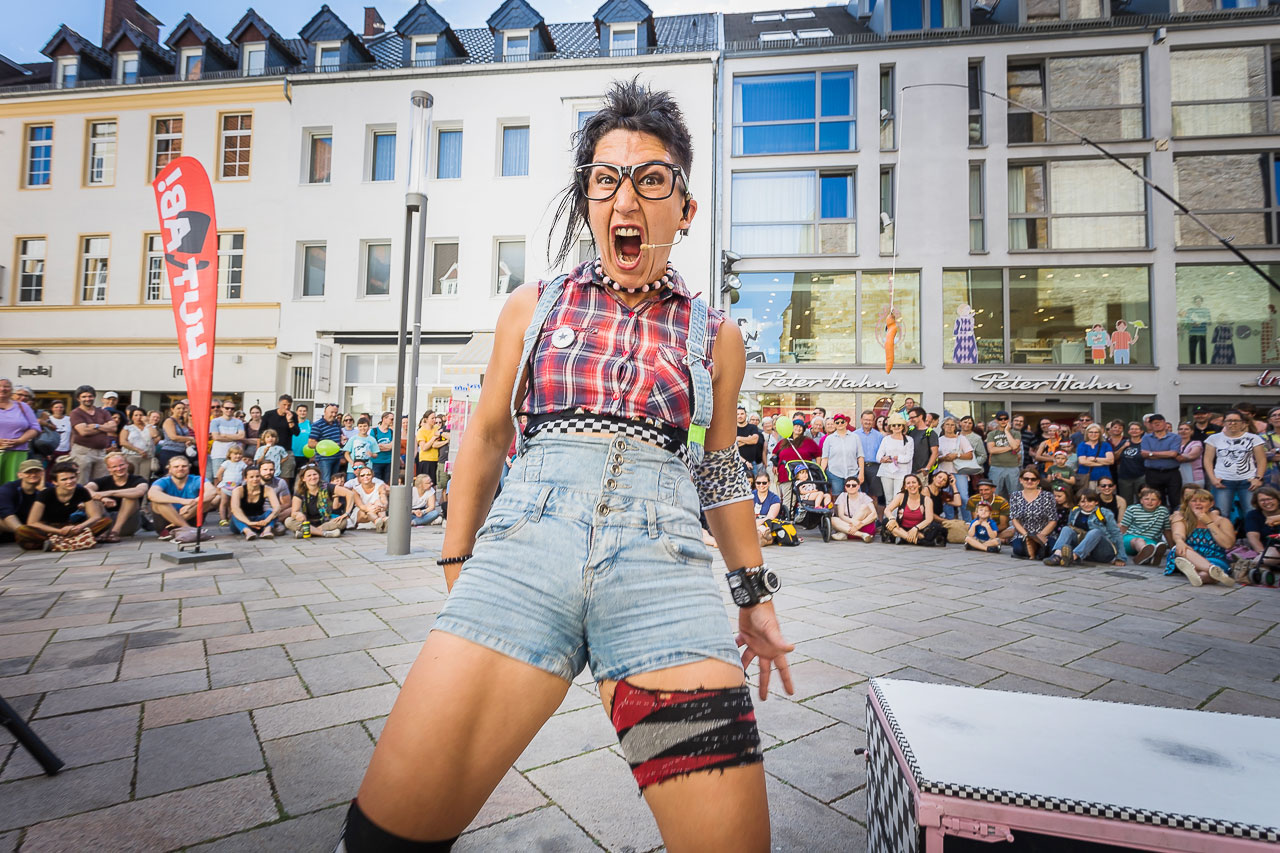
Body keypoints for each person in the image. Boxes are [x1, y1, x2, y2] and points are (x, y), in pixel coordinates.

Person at [346, 82, 793, 853]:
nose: (626, 197)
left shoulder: (716, 335)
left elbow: (718, 469)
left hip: (663, 578)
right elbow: (487, 435)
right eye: (605, 179)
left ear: (685, 208)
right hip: (525, 558)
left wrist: (753, 596)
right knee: (385, 839)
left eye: (651, 179)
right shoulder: (533, 305)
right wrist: (457, 558)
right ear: (588, 200)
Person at [15, 462, 112, 551]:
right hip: (49, 528)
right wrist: (59, 531)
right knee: (22, 531)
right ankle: (73, 541)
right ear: (55, 482)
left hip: (72, 527)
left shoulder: (82, 491)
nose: (69, 481)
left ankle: (56, 544)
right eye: (64, 479)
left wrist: (79, 527)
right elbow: (32, 522)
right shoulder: (45, 494)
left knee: (106, 521)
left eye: (72, 478)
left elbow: (95, 516)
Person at [1202, 410, 1267, 525]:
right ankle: (1225, 536)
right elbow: (1207, 460)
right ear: (1224, 423)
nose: (1232, 423)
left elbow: (1261, 460)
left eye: (1236, 420)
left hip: (1248, 481)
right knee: (1222, 513)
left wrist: (1258, 478)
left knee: (1251, 512)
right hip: (1223, 481)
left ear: (1243, 423)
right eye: (1229, 420)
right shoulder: (1214, 438)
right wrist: (1213, 479)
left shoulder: (1254, 438)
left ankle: (1252, 535)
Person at [1166, 488, 1236, 587]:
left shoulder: (1222, 521)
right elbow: (1178, 534)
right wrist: (1179, 541)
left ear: (1211, 504)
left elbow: (1228, 544)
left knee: (1205, 574)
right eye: (1193, 501)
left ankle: (1200, 576)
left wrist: (1209, 522)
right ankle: (1212, 569)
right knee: (1180, 548)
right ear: (1188, 503)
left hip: (1215, 556)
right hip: (1187, 554)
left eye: (1203, 501)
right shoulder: (1181, 517)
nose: (1198, 503)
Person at [1043, 489, 1126, 568]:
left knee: (1095, 532)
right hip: (1086, 552)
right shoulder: (1075, 512)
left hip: (1102, 551)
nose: (1086, 504)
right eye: (1083, 501)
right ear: (1078, 503)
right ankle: (1057, 555)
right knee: (1066, 529)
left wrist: (1120, 557)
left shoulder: (1104, 513)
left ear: (1096, 502)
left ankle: (1072, 557)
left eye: (1090, 501)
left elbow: (1116, 534)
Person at [148, 455, 219, 539]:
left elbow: (212, 491)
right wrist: (182, 501)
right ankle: (188, 528)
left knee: (208, 500)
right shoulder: (163, 481)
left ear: (189, 467)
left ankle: (181, 527)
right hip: (166, 523)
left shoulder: (196, 479)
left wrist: (192, 503)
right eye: (176, 467)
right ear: (169, 469)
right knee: (158, 502)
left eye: (184, 466)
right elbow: (152, 494)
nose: (180, 469)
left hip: (190, 516)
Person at [85, 452, 147, 542]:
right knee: (93, 498)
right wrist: (101, 498)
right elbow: (85, 490)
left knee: (130, 497)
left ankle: (115, 532)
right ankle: (103, 532)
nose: (119, 469)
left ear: (127, 464)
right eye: (114, 466)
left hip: (127, 524)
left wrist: (110, 493)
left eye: (121, 465)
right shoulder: (103, 481)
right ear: (109, 468)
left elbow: (140, 491)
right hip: (104, 523)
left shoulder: (138, 480)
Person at [67, 385, 116, 485]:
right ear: (78, 399)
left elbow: (113, 428)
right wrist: (104, 427)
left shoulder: (103, 412)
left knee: (101, 483)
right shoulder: (76, 413)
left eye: (90, 396)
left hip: (101, 452)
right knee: (81, 482)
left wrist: (96, 426)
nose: (87, 399)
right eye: (84, 397)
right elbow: (83, 432)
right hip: (83, 452)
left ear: (94, 397)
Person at [286, 465, 350, 538]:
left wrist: (346, 513)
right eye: (309, 475)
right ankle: (325, 533)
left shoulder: (327, 486)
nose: (313, 477)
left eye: (315, 474)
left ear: (319, 475)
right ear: (303, 478)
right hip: (307, 521)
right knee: (288, 521)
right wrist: (298, 515)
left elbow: (350, 494)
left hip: (326, 521)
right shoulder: (299, 492)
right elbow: (294, 512)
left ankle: (309, 532)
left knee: (343, 521)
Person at [1008, 467, 1057, 560]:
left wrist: (1040, 536)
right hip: (1023, 534)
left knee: (1051, 550)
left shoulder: (1048, 496)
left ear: (1038, 481)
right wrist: (1026, 535)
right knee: (1018, 550)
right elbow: (1014, 519)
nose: (1029, 481)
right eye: (1026, 479)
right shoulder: (1015, 496)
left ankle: (1035, 549)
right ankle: (1033, 547)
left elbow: (1053, 520)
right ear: (1021, 480)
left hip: (1044, 533)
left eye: (1033, 479)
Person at [773, 418, 821, 506]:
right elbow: (774, 454)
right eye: (796, 426)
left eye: (800, 427)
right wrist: (775, 465)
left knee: (803, 498)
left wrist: (817, 468)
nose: (798, 428)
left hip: (802, 476)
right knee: (788, 499)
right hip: (786, 475)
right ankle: (788, 514)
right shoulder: (784, 442)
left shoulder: (808, 441)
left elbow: (818, 454)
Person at [884, 473, 942, 546]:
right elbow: (887, 510)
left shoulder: (927, 500)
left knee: (935, 528)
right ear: (905, 487)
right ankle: (916, 540)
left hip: (919, 528)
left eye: (914, 482)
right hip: (902, 528)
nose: (911, 485)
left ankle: (902, 537)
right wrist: (891, 518)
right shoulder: (901, 496)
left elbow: (929, 519)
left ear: (919, 485)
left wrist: (916, 528)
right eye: (908, 483)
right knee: (886, 522)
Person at [0, 378, 40, 483]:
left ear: (11, 390)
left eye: (6, 386)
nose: (3, 389)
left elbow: (35, 428)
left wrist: (20, 440)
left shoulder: (23, 407)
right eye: (0, 386)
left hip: (18, 452)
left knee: (14, 484)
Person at [1120, 487, 1171, 566]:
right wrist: (1116, 545)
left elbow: (1167, 530)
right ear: (1141, 501)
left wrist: (1173, 547)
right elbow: (1123, 528)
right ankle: (1146, 552)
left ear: (1159, 502)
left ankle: (1147, 557)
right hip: (1130, 539)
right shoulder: (1133, 509)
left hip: (1150, 541)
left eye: (1153, 500)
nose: (1149, 502)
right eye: (1146, 499)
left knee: (1154, 546)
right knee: (1139, 540)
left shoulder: (1163, 511)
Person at [1139, 414, 1182, 508]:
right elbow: (1144, 454)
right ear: (1150, 425)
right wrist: (1166, 454)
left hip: (1172, 473)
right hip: (1153, 473)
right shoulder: (1146, 438)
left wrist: (1151, 453)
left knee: (1175, 500)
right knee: (1155, 500)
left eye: (1159, 422)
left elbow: (1173, 454)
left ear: (1164, 423)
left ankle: (1175, 516)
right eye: (1154, 423)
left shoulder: (1175, 437)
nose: (1156, 424)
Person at [230, 464, 280, 540]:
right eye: (251, 477)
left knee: (271, 512)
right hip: (242, 522)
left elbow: (277, 508)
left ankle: (267, 531)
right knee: (235, 514)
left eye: (257, 476)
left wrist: (267, 520)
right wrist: (249, 523)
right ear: (245, 478)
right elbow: (235, 509)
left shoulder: (268, 489)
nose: (255, 479)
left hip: (259, 520)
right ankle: (248, 532)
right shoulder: (238, 490)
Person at [934, 418, 973, 515]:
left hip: (959, 472)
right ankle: (949, 520)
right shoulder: (938, 440)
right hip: (944, 472)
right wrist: (943, 458)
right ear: (943, 426)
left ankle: (967, 520)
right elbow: (934, 458)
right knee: (946, 497)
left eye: (952, 425)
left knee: (964, 497)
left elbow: (970, 455)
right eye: (947, 424)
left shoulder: (961, 439)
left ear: (955, 427)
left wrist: (956, 455)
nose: (950, 427)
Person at [0, 460, 45, 543]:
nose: (33, 475)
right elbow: (7, 514)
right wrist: (23, 531)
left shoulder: (47, 488)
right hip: (11, 527)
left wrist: (43, 491)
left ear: (42, 473)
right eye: (28, 472)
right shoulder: (8, 488)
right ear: (20, 475)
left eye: (37, 471)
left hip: (35, 527)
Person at [819, 413, 863, 494]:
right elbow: (825, 458)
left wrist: (861, 473)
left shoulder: (855, 437)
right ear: (835, 424)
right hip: (835, 474)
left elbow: (860, 456)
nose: (840, 424)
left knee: (855, 495)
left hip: (852, 473)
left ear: (846, 423)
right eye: (837, 422)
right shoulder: (829, 439)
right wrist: (821, 473)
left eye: (842, 422)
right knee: (837, 497)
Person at [876, 414, 913, 500]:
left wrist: (897, 458)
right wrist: (882, 459)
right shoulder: (886, 439)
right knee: (888, 498)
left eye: (899, 425)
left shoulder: (909, 440)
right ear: (890, 427)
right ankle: (888, 510)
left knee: (898, 497)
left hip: (902, 472)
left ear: (903, 426)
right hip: (886, 471)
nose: (896, 427)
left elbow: (908, 457)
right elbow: (878, 455)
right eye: (894, 425)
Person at [1243, 486, 1280, 572]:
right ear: (1257, 503)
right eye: (1262, 500)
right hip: (1269, 549)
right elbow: (1253, 538)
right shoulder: (1253, 515)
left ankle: (1250, 564)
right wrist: (1262, 553)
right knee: (1262, 566)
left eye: (1270, 499)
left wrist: (1276, 518)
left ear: (1278, 500)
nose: (1267, 502)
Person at [209, 400, 247, 482]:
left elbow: (241, 436)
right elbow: (216, 437)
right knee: (217, 478)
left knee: (234, 478)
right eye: (227, 408)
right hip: (218, 454)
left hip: (234, 455)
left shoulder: (238, 422)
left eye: (232, 408)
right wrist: (235, 437)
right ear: (222, 408)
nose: (229, 410)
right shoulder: (215, 421)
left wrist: (224, 435)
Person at [986, 411, 1021, 498]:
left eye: (1005, 419)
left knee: (1015, 494)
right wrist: (1010, 447)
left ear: (1008, 420)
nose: (1003, 421)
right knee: (994, 494)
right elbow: (991, 450)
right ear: (996, 420)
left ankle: (1014, 508)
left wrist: (1006, 431)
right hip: (996, 467)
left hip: (1013, 467)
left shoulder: (1016, 433)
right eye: (1000, 419)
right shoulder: (991, 434)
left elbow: (1015, 446)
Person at [308, 404, 345, 481]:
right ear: (325, 412)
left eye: (335, 413)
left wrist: (342, 439)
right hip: (324, 459)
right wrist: (327, 446)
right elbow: (311, 443)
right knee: (325, 481)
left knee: (335, 481)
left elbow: (340, 436)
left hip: (337, 457)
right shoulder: (317, 425)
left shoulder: (336, 423)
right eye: (331, 412)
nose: (334, 415)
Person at [1112, 422, 1147, 504]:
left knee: (1142, 499)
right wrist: (1123, 447)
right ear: (1128, 431)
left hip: (1140, 476)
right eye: (1132, 429)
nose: (1134, 431)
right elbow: (1115, 457)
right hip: (1124, 477)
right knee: (1126, 501)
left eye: (1136, 429)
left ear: (1141, 431)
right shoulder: (1123, 442)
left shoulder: (1145, 443)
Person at [157, 401, 196, 474]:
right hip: (170, 452)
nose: (181, 410)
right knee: (170, 475)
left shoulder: (182, 421)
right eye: (178, 408)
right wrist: (190, 439)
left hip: (183, 452)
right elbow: (173, 437)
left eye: (183, 408)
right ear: (172, 409)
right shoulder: (169, 421)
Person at [214, 444, 248, 526]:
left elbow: (244, 474)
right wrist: (222, 482)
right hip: (226, 486)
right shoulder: (227, 463)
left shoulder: (242, 464)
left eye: (240, 454)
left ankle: (230, 518)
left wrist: (243, 483)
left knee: (233, 503)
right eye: (235, 454)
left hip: (236, 487)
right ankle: (223, 519)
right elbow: (219, 474)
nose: (238, 456)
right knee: (224, 502)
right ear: (230, 455)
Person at [118, 407, 157, 480]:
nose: (138, 417)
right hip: (132, 456)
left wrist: (147, 423)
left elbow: (154, 435)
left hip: (147, 457)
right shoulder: (127, 428)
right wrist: (138, 450)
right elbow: (123, 442)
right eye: (136, 415)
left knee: (145, 478)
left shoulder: (150, 427)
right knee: (132, 477)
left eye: (141, 415)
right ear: (132, 417)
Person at [256, 459, 292, 533]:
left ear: (275, 471)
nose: (268, 472)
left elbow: (287, 503)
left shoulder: (280, 482)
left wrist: (274, 511)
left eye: (271, 470)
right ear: (259, 471)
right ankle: (272, 524)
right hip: (258, 512)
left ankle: (270, 523)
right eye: (265, 470)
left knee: (294, 508)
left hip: (275, 511)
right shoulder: (253, 481)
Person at [350, 466, 390, 532]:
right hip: (362, 512)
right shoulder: (355, 490)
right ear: (359, 478)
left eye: (368, 474)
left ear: (372, 476)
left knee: (378, 502)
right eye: (362, 475)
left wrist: (383, 506)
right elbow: (361, 506)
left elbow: (384, 499)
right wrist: (373, 508)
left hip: (378, 509)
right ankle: (382, 521)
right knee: (365, 512)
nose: (366, 477)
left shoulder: (380, 486)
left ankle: (378, 521)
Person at [957, 415, 987, 496]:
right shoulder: (955, 436)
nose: (967, 424)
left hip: (973, 473)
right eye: (965, 422)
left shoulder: (976, 438)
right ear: (960, 423)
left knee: (971, 496)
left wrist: (972, 465)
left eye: (970, 423)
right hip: (957, 471)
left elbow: (983, 456)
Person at [905, 407, 938, 476]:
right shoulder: (910, 431)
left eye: (912, 417)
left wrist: (927, 468)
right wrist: (906, 427)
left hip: (921, 471)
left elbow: (935, 453)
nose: (911, 420)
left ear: (920, 416)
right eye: (909, 418)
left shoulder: (930, 433)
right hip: (908, 470)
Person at [415, 412, 447, 481]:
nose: (434, 420)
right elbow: (424, 447)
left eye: (435, 418)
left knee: (435, 483)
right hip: (426, 460)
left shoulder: (437, 428)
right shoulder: (421, 431)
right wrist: (434, 438)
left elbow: (437, 443)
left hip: (437, 460)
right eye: (432, 418)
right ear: (426, 419)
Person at [735, 407, 765, 478]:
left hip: (752, 463)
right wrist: (749, 439)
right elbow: (733, 446)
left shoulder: (752, 427)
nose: (740, 416)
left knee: (754, 483)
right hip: (738, 463)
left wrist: (739, 438)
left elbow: (755, 440)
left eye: (742, 414)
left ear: (746, 415)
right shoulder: (733, 428)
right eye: (738, 414)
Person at [1176, 422, 1204, 488]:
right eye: (1181, 429)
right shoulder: (1174, 444)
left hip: (1195, 477)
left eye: (1186, 429)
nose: (1183, 431)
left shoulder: (1196, 443)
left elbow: (1192, 455)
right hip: (1178, 476)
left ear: (1192, 431)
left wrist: (1173, 455)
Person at [372, 412, 396, 484]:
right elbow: (375, 447)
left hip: (389, 461)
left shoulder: (392, 432)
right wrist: (388, 446)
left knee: (387, 483)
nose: (393, 421)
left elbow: (393, 446)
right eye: (391, 419)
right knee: (377, 483)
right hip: (376, 462)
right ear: (384, 419)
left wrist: (382, 446)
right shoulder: (374, 431)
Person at [291, 403, 313, 475]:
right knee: (292, 477)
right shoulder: (292, 423)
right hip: (292, 454)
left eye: (304, 411)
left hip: (305, 455)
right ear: (296, 412)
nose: (302, 413)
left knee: (303, 476)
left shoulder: (310, 424)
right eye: (300, 411)